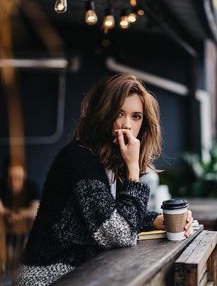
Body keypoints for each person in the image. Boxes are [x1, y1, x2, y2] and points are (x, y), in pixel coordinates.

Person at [14, 73, 193, 285]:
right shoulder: (79, 158)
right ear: (103, 114)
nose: (127, 124)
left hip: (83, 274)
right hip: (47, 278)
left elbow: (113, 216)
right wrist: (133, 169)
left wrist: (155, 220)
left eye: (136, 116)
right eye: (119, 113)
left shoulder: (110, 162)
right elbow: (119, 235)